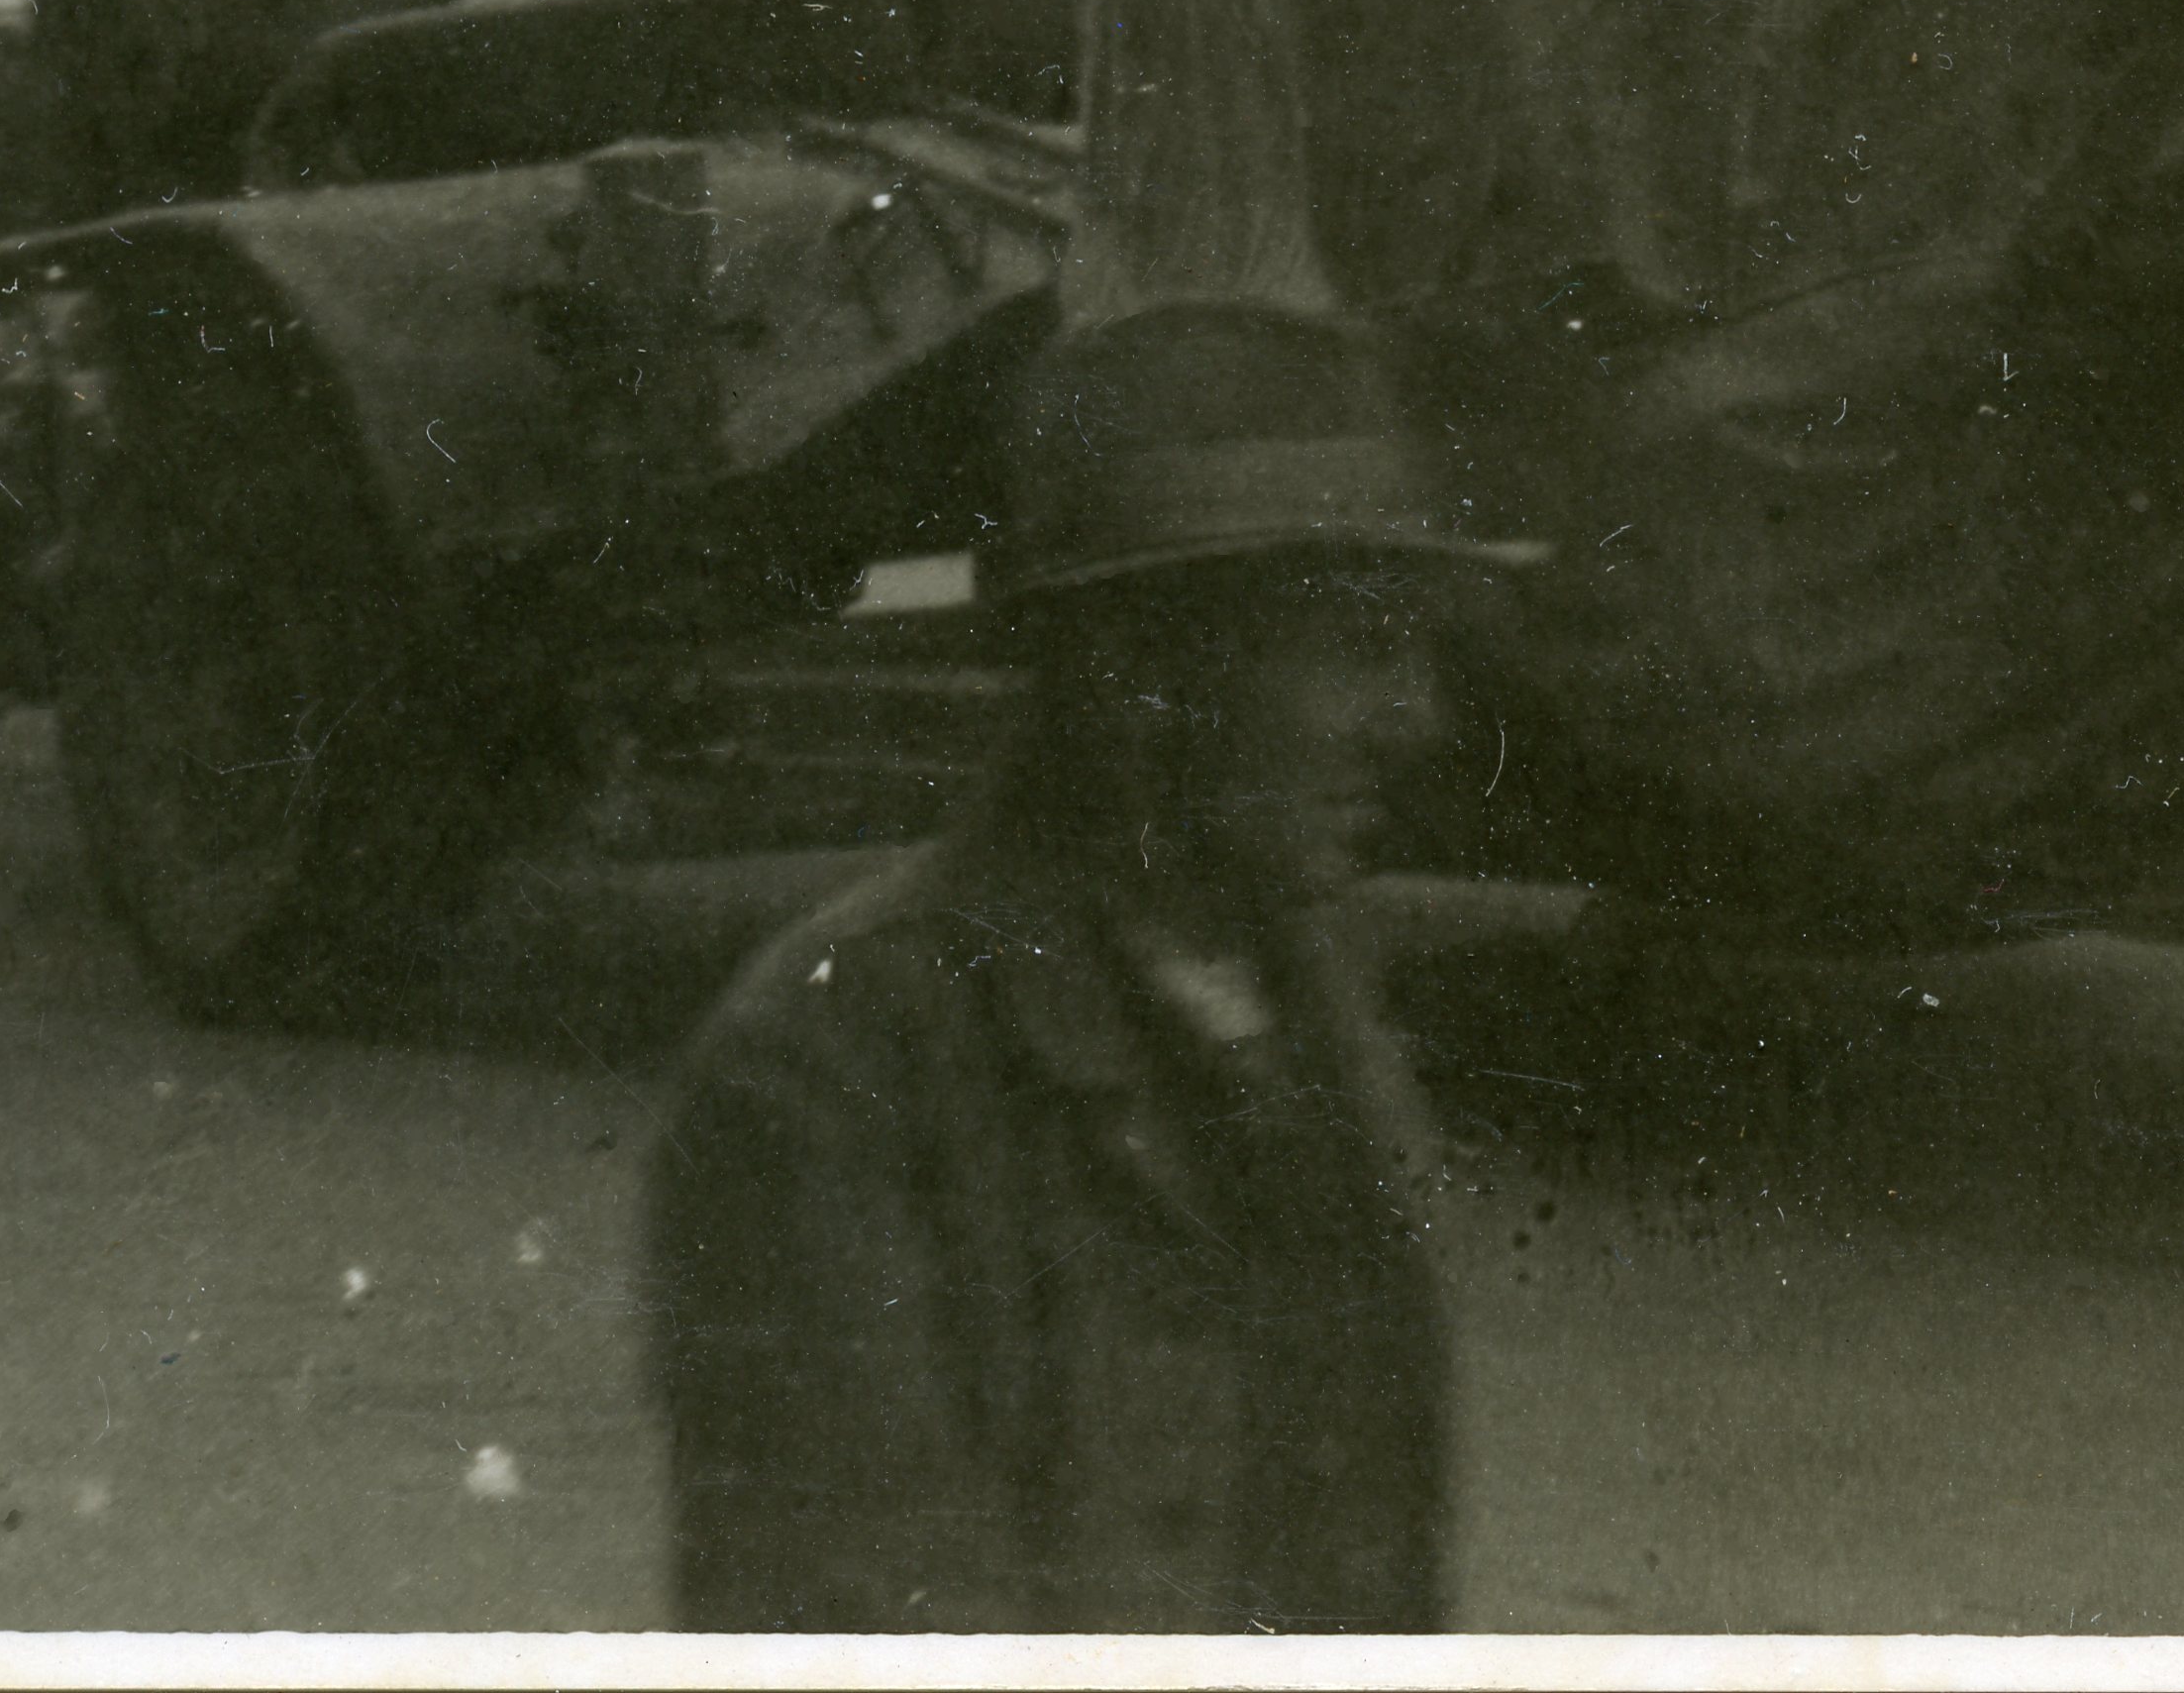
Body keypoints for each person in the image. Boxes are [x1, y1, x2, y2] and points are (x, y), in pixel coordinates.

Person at [643, 296, 1538, 1632]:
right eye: (1357, 649)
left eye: (1418, 648)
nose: (1418, 718)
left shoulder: (1308, 995)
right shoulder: (836, 1068)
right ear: (1137, 674)